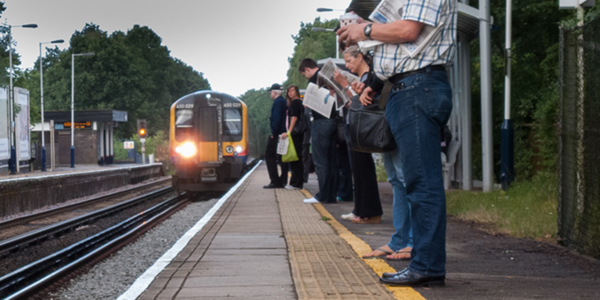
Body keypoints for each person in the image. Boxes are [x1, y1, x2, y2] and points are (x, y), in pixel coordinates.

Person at [338, 0, 456, 287]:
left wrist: (363, 30)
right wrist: (374, 84)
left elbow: (407, 30)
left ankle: (426, 266)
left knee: (421, 182)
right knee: (417, 180)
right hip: (409, 87)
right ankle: (425, 263)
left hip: (417, 88)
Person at [332, 45, 382, 223]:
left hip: (363, 130)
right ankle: (361, 210)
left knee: (363, 170)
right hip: (357, 129)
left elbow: (359, 103)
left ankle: (367, 211)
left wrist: (344, 85)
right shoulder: (363, 78)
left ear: (360, 57)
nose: (347, 65)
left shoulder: (369, 77)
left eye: (349, 61)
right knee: (359, 171)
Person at [298, 58, 339, 204]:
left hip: (321, 122)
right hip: (333, 121)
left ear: (307, 70)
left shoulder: (314, 81)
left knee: (321, 161)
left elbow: (310, 104)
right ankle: (331, 195)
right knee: (332, 160)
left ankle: (323, 195)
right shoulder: (329, 77)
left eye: (304, 74)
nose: (306, 77)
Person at [263, 83, 288, 189]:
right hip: (283, 133)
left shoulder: (277, 103)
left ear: (273, 92)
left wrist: (273, 132)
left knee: (269, 155)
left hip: (278, 134)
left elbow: (276, 118)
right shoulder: (284, 102)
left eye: (270, 93)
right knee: (282, 158)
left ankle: (275, 181)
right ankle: (282, 180)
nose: (270, 95)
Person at [281, 85, 304, 190]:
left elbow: (294, 118)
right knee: (297, 157)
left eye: (292, 90)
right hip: (299, 133)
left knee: (295, 158)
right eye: (289, 91)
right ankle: (297, 182)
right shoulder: (299, 102)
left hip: (295, 133)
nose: (290, 93)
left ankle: (296, 183)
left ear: (297, 91)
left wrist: (289, 132)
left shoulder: (295, 103)